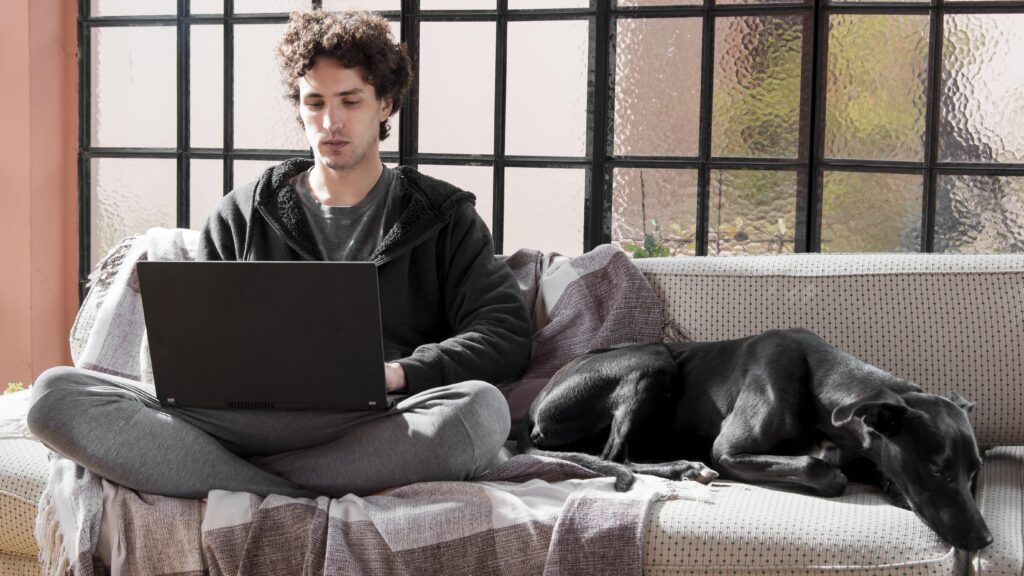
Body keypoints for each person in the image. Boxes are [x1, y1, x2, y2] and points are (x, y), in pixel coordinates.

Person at [27, 10, 532, 499]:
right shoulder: (242, 212)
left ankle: (241, 482)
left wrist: (399, 372)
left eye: (350, 101)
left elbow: (504, 334)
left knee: (481, 412)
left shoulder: (441, 216)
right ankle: (293, 487)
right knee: (54, 394)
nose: (331, 122)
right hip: (239, 420)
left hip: (371, 420)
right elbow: (190, 347)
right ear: (299, 108)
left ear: (385, 105)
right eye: (315, 103)